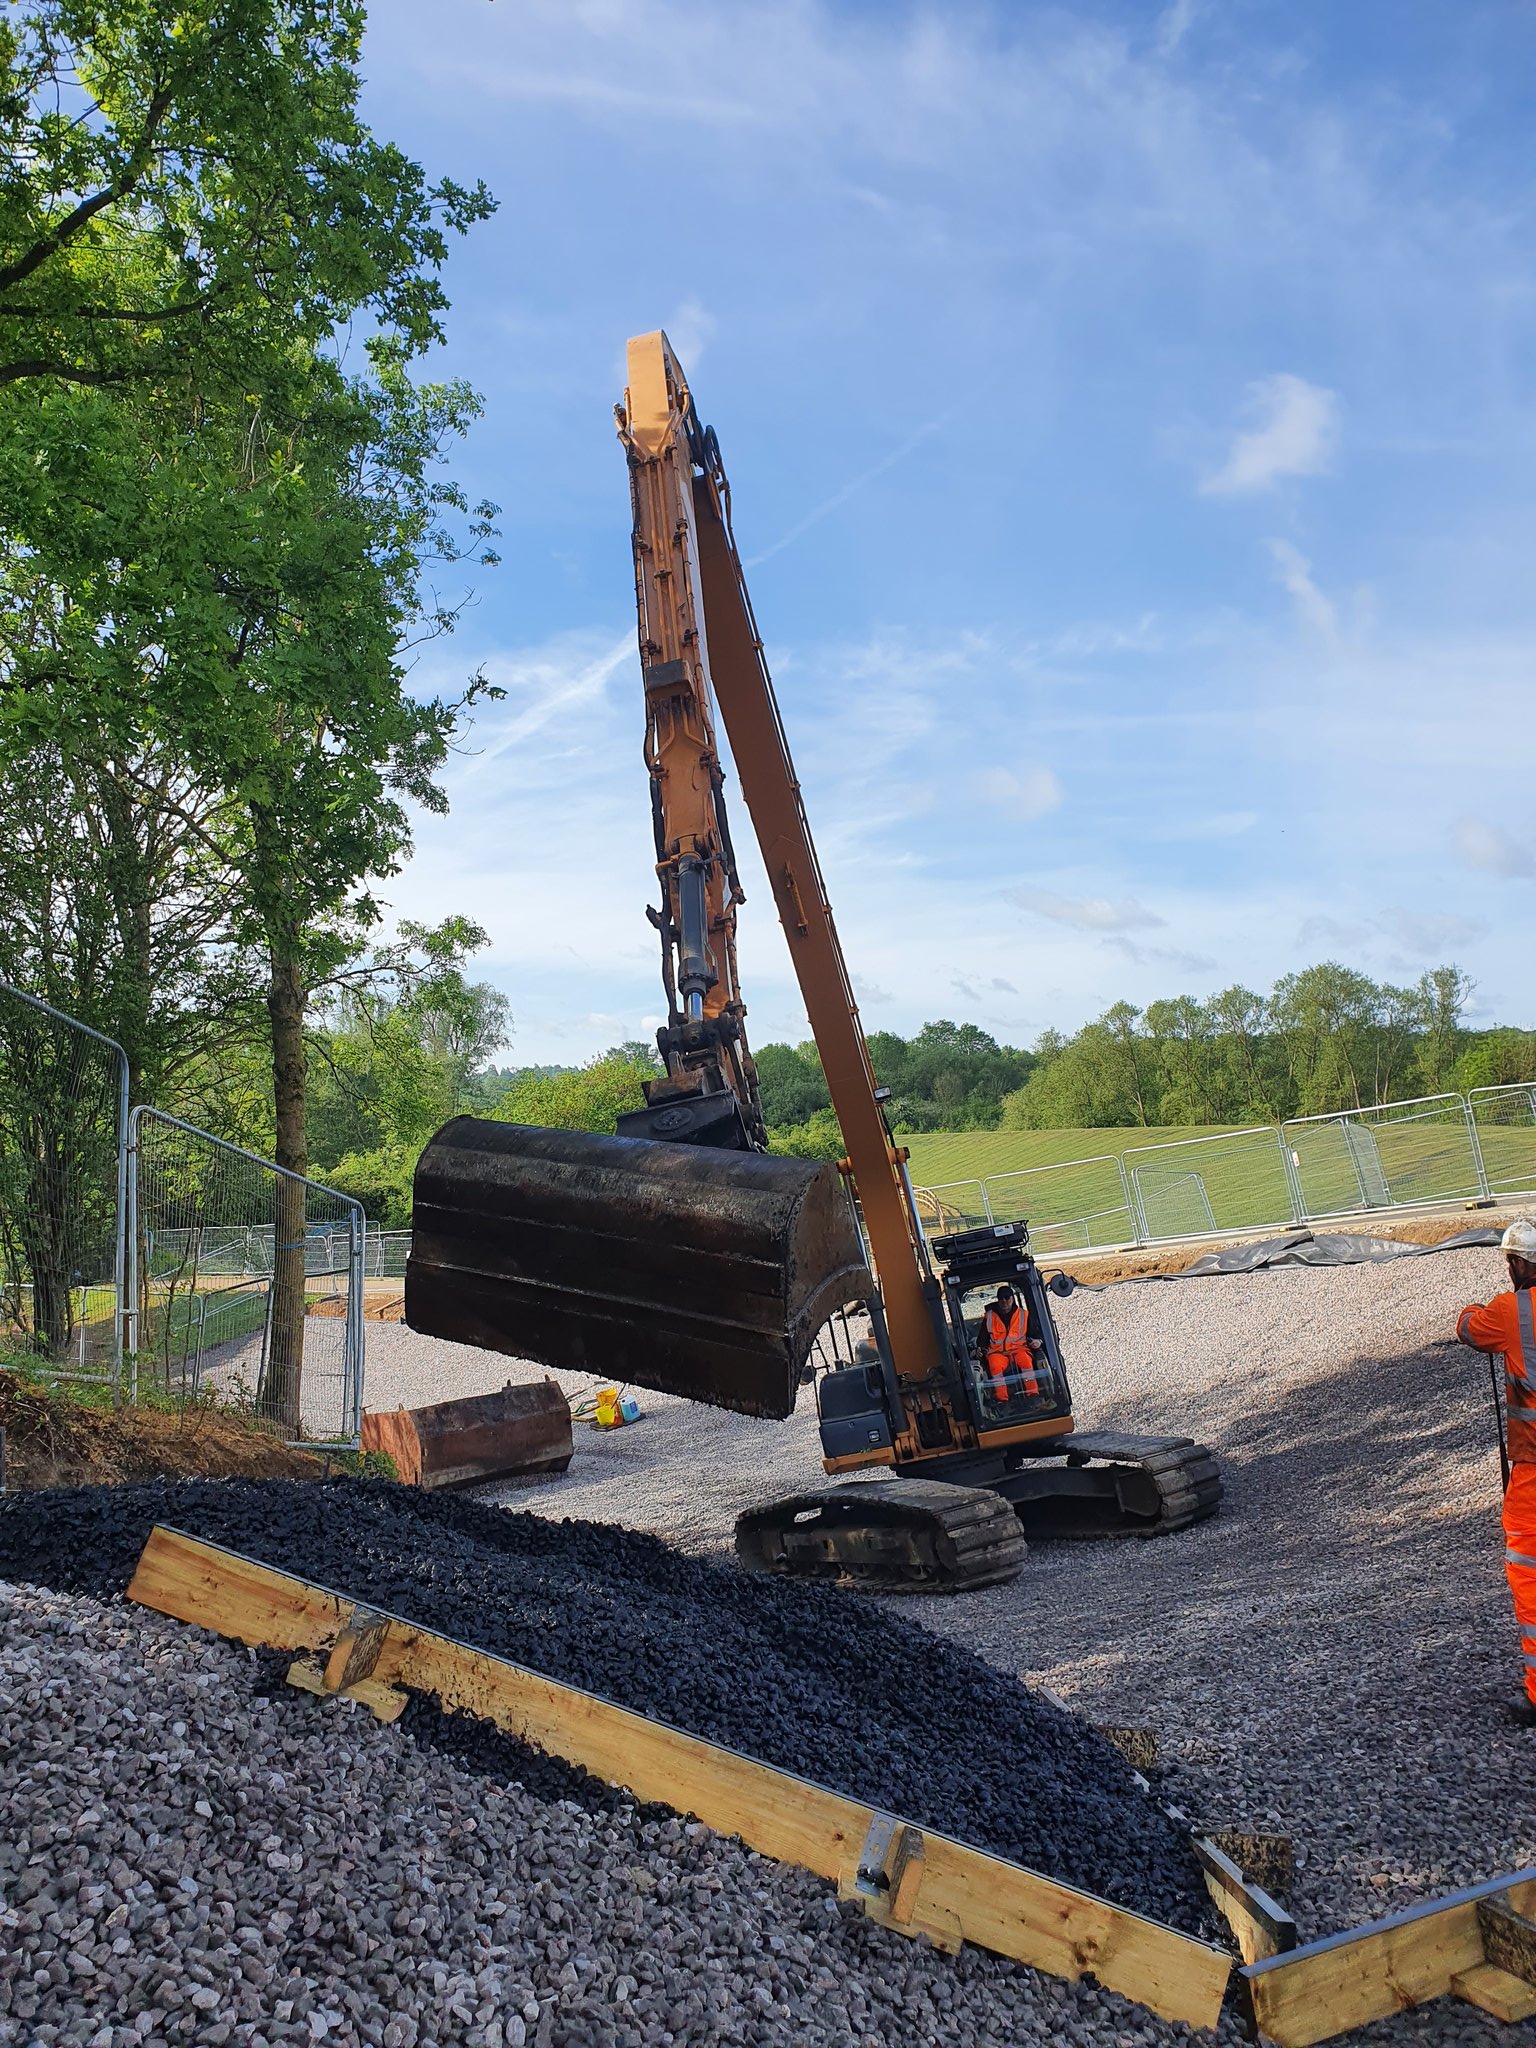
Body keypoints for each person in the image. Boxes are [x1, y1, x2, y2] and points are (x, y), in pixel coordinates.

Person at [1457, 1216, 1536, 1729]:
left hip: (1534, 1470)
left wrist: (1473, 1306)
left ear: (1515, 1263)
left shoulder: (1512, 1311)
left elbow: (1469, 1328)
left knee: (1528, 1569)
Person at [982, 1286, 1040, 1405]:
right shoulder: (989, 1317)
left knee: (1026, 1362)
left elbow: (1035, 1334)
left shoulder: (1024, 1315)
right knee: (995, 1365)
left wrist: (1038, 1341)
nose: (1004, 1301)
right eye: (1001, 1298)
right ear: (997, 1300)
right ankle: (1002, 1400)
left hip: (1018, 1350)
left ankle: (1033, 1395)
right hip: (997, 1353)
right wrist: (980, 1349)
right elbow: (982, 1339)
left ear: (1012, 1299)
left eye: (1007, 1298)